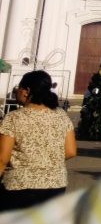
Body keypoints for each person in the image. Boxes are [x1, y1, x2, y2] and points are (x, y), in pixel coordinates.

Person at [0, 70, 76, 211]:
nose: (16, 91)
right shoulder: (61, 116)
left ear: (27, 91)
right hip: (55, 185)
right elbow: (71, 151)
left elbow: (2, 159)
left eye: (19, 87)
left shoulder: (14, 118)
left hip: (20, 187)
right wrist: (45, 160)